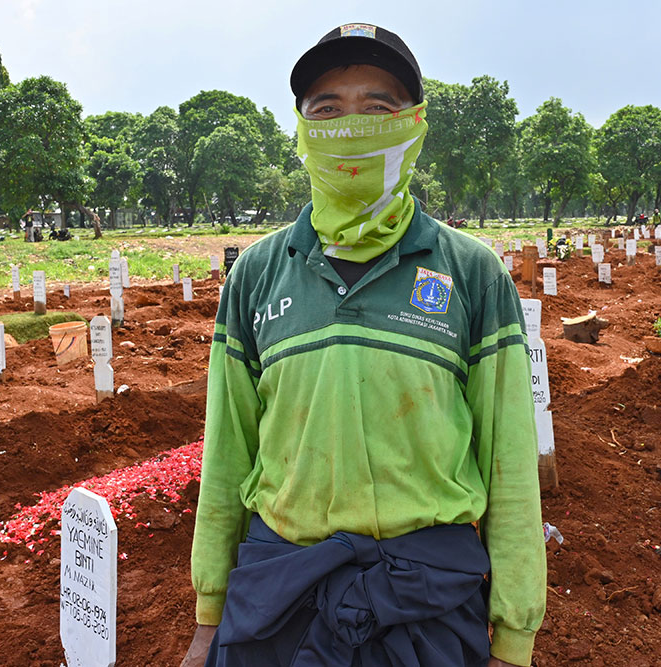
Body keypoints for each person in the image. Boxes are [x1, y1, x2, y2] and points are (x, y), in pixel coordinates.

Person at [183, 24, 545, 667]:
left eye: (378, 107)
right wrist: (209, 616)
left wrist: (513, 637)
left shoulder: (471, 273)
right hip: (279, 597)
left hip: (425, 600)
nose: (350, 126)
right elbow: (228, 451)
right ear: (300, 128)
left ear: (414, 124)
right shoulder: (258, 274)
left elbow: (510, 463)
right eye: (327, 109)